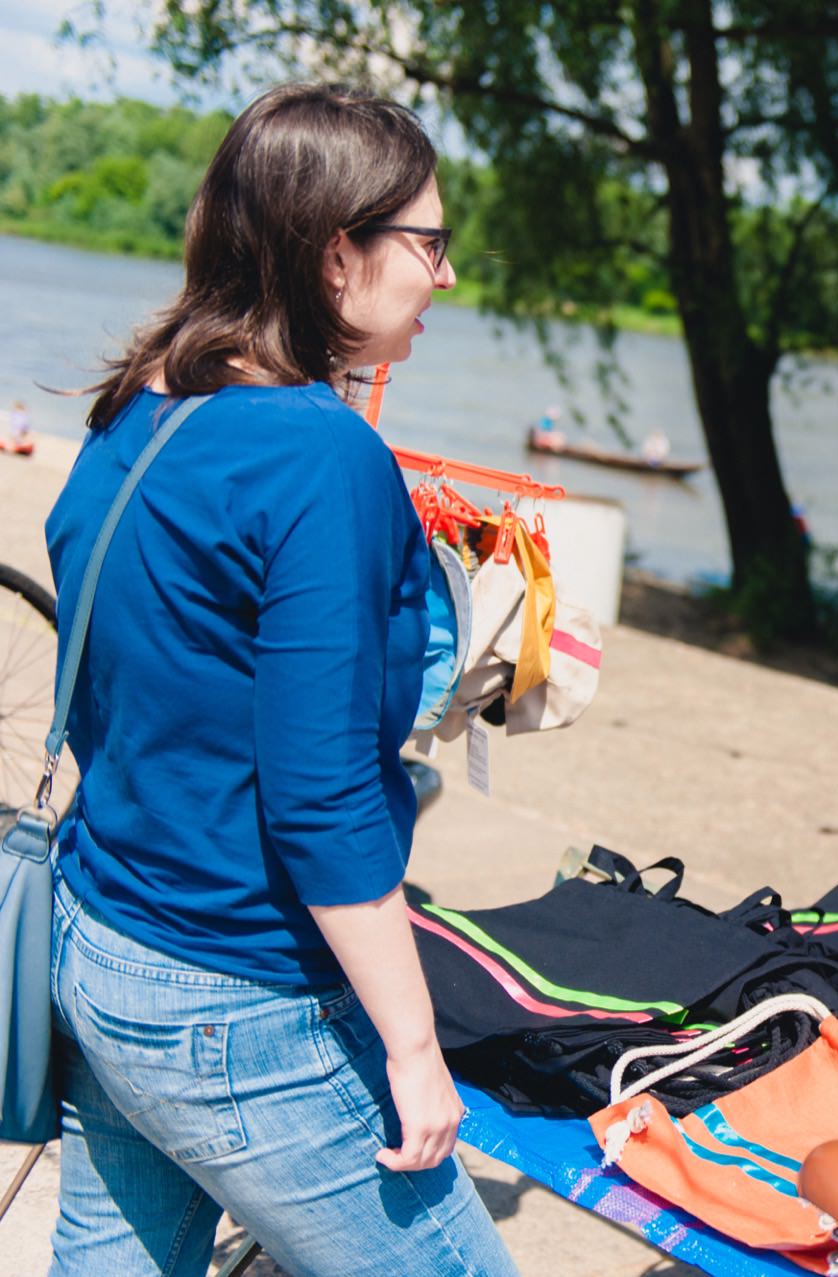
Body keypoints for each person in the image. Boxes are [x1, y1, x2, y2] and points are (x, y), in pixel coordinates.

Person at [42, 84, 517, 1274]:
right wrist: (414, 1047)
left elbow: (158, 666)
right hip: (238, 997)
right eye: (429, 242)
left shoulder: (143, 400)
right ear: (334, 251)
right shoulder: (321, 455)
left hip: (102, 939)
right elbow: (318, 799)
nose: (446, 278)